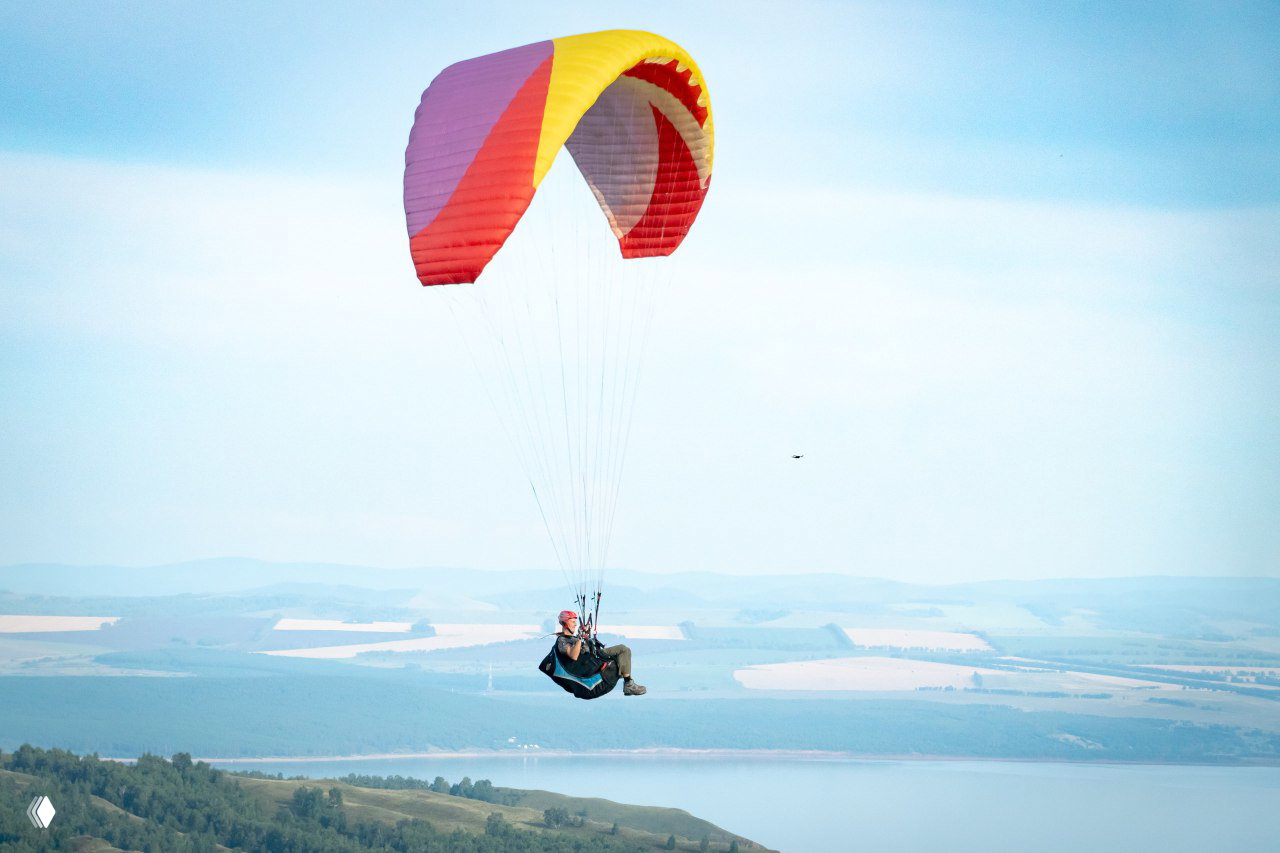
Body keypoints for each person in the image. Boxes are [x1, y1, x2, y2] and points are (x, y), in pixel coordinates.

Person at [556, 610, 646, 696]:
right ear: (565, 623)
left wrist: (586, 636)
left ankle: (627, 681)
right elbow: (574, 656)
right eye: (572, 622)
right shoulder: (562, 640)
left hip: (594, 655)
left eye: (575, 622)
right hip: (589, 663)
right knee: (622, 650)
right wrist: (580, 638)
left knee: (624, 651)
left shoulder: (573, 638)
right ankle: (628, 685)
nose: (575, 624)